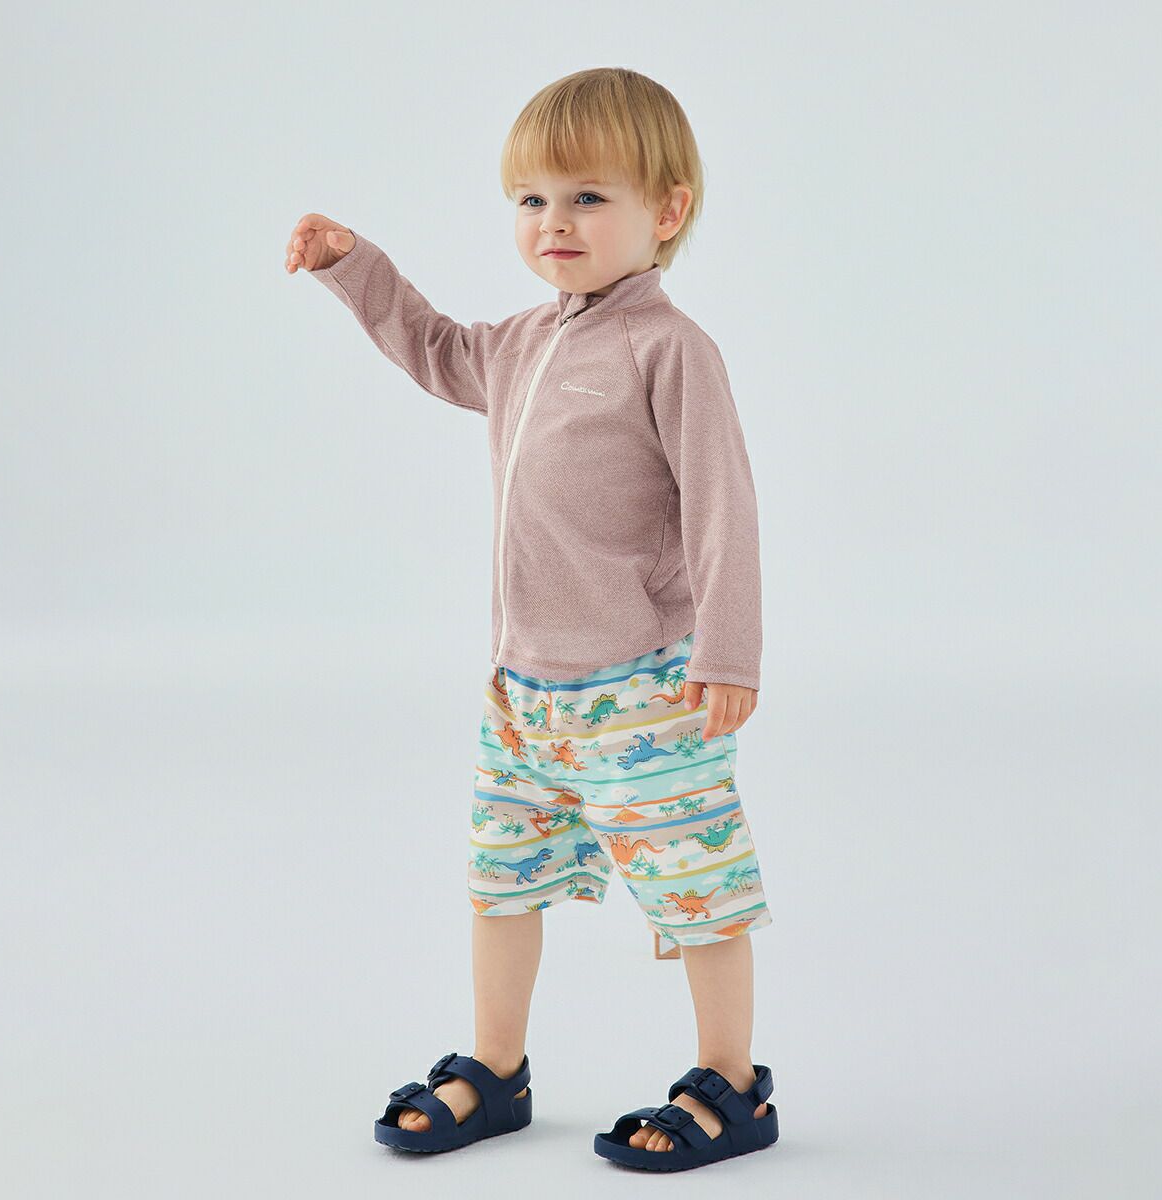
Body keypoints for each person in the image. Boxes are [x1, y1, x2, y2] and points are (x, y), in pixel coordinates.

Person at [284, 66, 778, 1171]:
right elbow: (434, 348)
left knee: (695, 889)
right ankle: (495, 1069)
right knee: (501, 882)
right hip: (521, 691)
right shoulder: (520, 342)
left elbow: (722, 505)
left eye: (588, 197)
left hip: (643, 686)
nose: (554, 221)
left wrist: (731, 651)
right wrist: (353, 264)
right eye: (532, 199)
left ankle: (734, 1084)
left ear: (667, 211)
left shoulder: (670, 349)